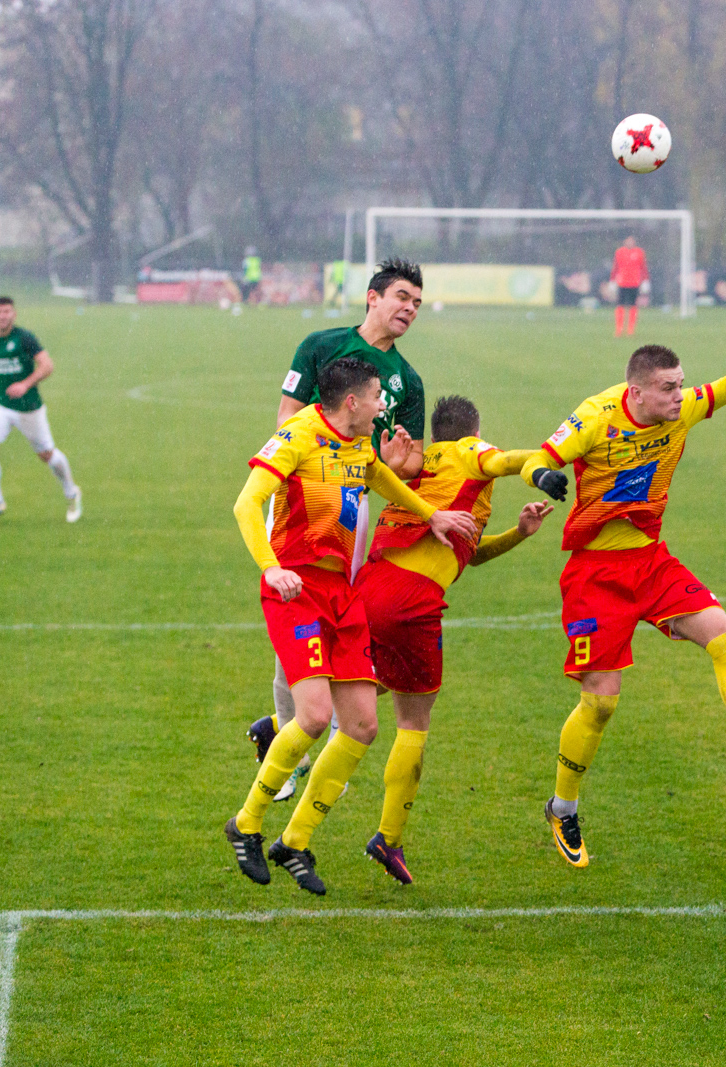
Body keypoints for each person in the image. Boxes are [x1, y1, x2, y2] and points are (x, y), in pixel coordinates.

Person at [521, 343, 726, 867]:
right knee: (601, 702)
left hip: (651, 563)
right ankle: (561, 806)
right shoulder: (596, 417)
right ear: (636, 392)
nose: (680, 396)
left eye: (680, 384)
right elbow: (543, 455)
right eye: (667, 388)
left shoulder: (682, 410)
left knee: (724, 632)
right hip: (594, 575)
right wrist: (544, 476)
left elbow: (724, 389)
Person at [224, 357, 478, 895]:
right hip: (296, 591)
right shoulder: (299, 435)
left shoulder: (358, 443)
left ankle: (294, 842)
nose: (385, 406)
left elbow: (379, 476)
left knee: (362, 725)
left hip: (342, 596)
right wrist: (273, 568)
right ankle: (245, 823)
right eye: (377, 398)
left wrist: (428, 514)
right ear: (353, 403)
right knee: (314, 717)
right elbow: (246, 504)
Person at [247, 258, 428, 803]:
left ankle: (296, 733)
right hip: (303, 490)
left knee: (334, 606)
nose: (409, 309)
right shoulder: (319, 345)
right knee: (298, 600)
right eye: (401, 297)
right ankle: (291, 734)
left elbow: (412, 460)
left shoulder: (408, 381)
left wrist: (397, 464)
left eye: (417, 303)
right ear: (372, 298)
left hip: (357, 502)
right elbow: (287, 417)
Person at [350, 395, 551, 884]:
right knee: (414, 719)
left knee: (363, 681)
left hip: (369, 587)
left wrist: (519, 533)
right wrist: (552, 461)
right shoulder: (470, 455)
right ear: (474, 432)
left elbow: (470, 553)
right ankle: (388, 837)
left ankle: (279, 724)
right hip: (410, 602)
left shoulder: (420, 470)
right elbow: (508, 461)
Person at [0, 296, 81, 524]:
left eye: (7, 312)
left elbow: (47, 366)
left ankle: (72, 493)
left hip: (29, 409)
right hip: (1, 406)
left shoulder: (25, 338)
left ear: (14, 314)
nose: (3, 316)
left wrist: (25, 384)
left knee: (47, 456)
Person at [612, 235, 647, 337]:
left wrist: (645, 280)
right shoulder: (620, 252)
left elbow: (643, 267)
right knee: (620, 305)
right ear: (624, 241)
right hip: (622, 283)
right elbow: (615, 267)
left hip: (634, 283)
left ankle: (630, 329)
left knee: (632, 305)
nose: (630, 242)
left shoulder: (639, 252)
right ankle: (619, 329)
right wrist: (613, 280)